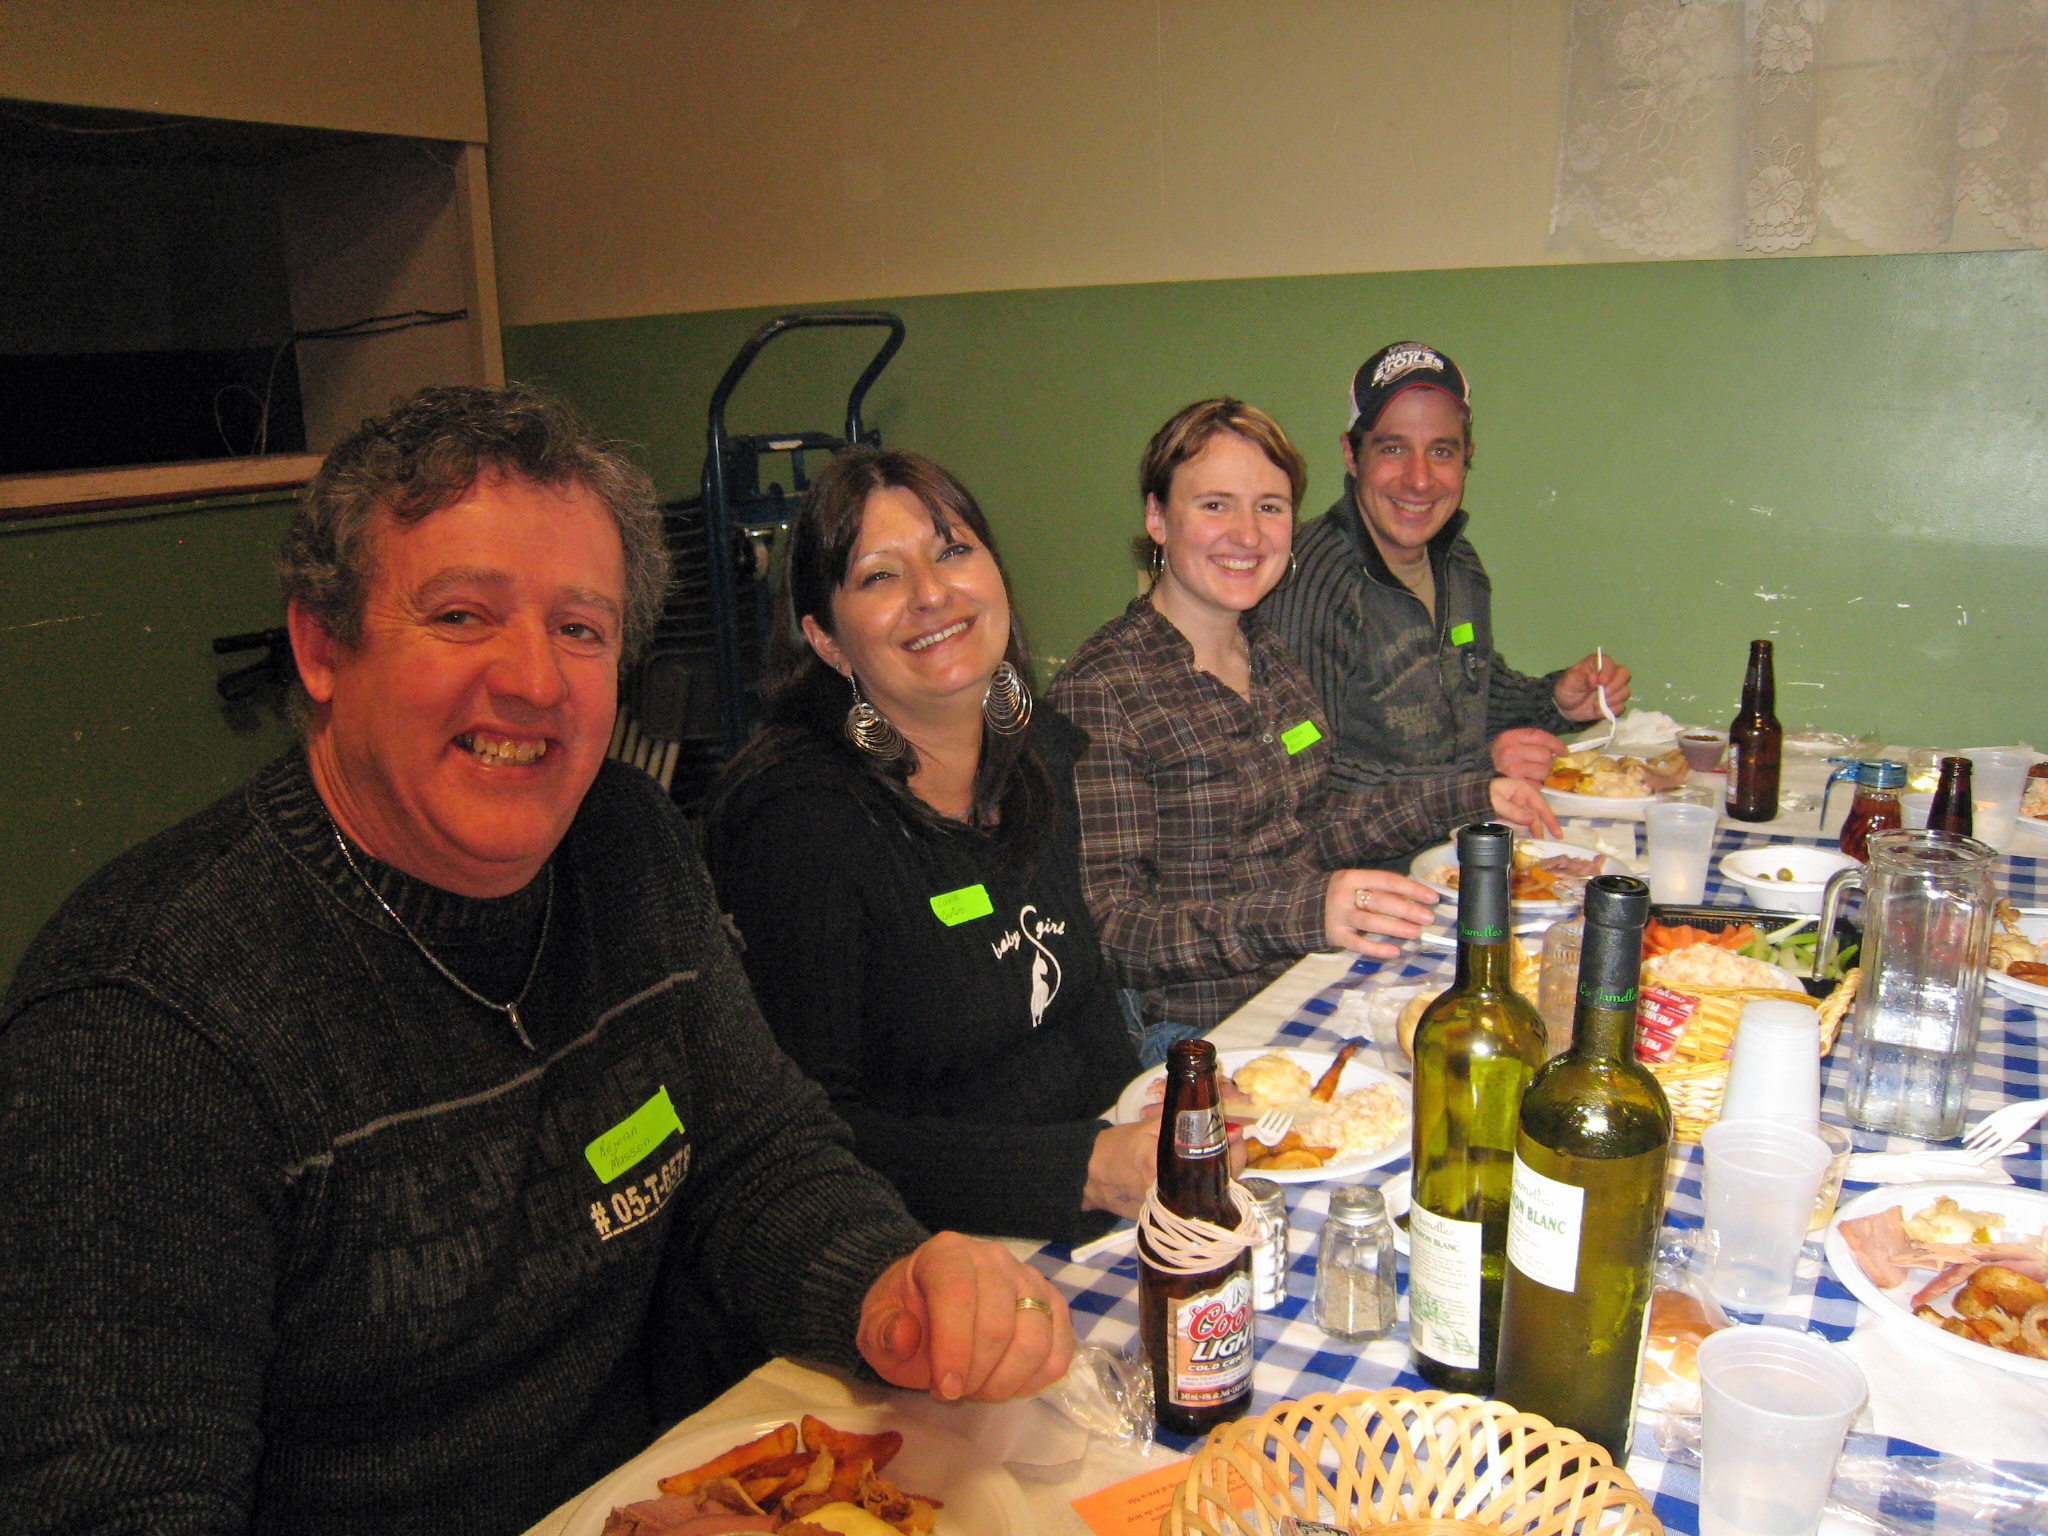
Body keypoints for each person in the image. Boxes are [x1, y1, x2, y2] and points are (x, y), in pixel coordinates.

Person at [0, 387, 1070, 1536]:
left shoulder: (627, 843)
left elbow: (755, 1155)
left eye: (579, 629)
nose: (534, 681)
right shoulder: (142, 1024)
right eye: (462, 615)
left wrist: (883, 1288)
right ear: (321, 647)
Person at [705, 446, 1161, 1247]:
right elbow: (803, 1135)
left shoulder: (1038, 756)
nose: (931, 594)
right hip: (920, 1253)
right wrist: (1079, 1169)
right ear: (827, 640)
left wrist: (1153, 1113)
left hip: (1089, 1217)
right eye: (879, 576)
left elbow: (1082, 1000)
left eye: (952, 551)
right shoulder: (799, 826)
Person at [1048, 399, 1559, 1062]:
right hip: (1197, 1037)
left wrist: (1471, 795)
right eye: (1215, 505)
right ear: (1156, 517)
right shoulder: (1104, 688)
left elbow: (1314, 828)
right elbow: (1111, 930)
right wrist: (1306, 912)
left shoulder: (1267, 654)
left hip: (1309, 982)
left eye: (1270, 507)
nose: (1247, 535)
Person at [1258, 340, 1631, 795]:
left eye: (1441, 452)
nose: (1419, 480)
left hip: (1456, 828)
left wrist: (1552, 702)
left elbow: (1465, 689)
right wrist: (1472, 779)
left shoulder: (1458, 562)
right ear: (1352, 456)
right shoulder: (1308, 581)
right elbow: (1299, 762)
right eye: (1393, 449)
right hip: (1365, 842)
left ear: (1466, 457)